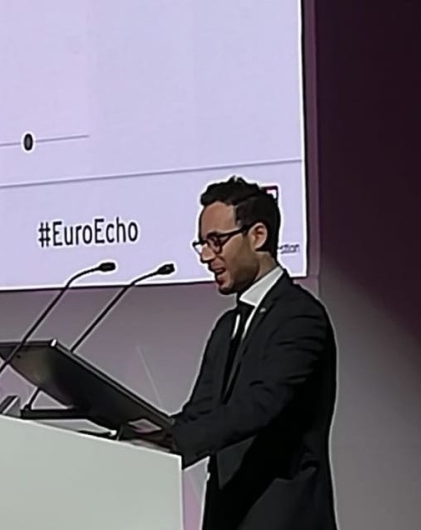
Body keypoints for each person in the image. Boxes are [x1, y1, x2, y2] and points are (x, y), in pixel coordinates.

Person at [136, 176, 338, 529]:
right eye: (202, 244)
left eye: (216, 241)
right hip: (226, 515)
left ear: (257, 236)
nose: (206, 256)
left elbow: (261, 404)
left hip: (282, 518)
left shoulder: (300, 316)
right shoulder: (227, 326)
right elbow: (200, 412)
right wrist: (138, 439)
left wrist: (177, 443)